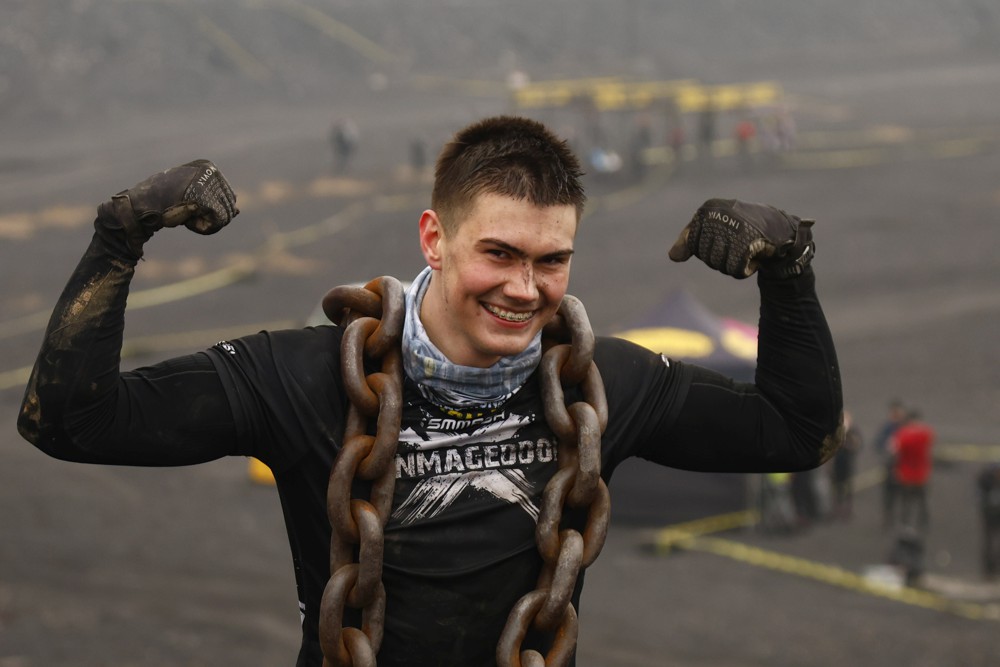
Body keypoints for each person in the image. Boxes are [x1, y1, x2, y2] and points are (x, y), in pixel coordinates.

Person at [18, 115, 843, 666]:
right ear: (434, 238)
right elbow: (73, 421)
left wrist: (790, 272)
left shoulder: (605, 386)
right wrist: (119, 236)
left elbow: (797, 432)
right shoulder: (300, 377)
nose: (525, 288)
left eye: (552, 260)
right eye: (499, 253)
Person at [890, 409, 934, 533]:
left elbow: (893, 450)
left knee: (906, 500)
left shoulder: (902, 434)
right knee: (922, 499)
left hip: (906, 473)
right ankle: (924, 522)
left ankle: (906, 523)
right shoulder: (926, 433)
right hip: (922, 473)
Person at [875, 399, 907, 527]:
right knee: (889, 495)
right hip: (891, 466)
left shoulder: (906, 427)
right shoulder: (887, 428)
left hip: (904, 466)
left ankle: (904, 521)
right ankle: (888, 519)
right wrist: (887, 446)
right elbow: (878, 444)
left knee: (905, 495)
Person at [830, 409, 863, 519]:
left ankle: (847, 509)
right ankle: (838, 508)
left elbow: (857, 445)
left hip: (847, 463)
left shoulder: (853, 431)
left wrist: (848, 438)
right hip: (836, 464)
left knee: (848, 487)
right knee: (836, 487)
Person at [976, 462, 1000, 577]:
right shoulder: (986, 479)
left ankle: (995, 567)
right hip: (989, 515)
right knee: (989, 542)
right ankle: (989, 569)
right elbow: (979, 496)